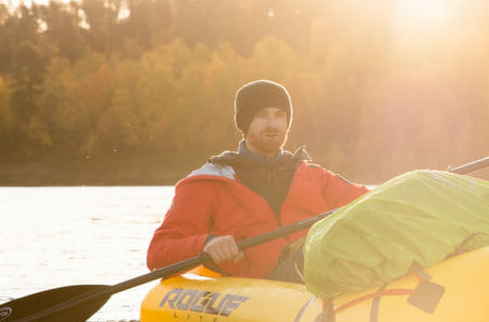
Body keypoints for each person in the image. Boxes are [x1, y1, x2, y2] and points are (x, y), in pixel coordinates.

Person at [147, 80, 368, 281]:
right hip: (271, 284)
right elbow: (158, 253)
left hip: (325, 271)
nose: (273, 124)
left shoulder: (315, 176)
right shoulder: (208, 183)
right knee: (311, 258)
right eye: (262, 115)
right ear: (245, 123)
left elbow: (371, 204)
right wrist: (207, 243)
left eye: (280, 115)